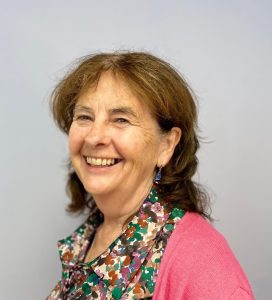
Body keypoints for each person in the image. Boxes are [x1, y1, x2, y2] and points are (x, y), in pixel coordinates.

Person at [47, 51, 254, 299]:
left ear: (166, 145)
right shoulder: (91, 237)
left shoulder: (203, 265)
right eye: (84, 117)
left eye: (120, 119)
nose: (93, 137)